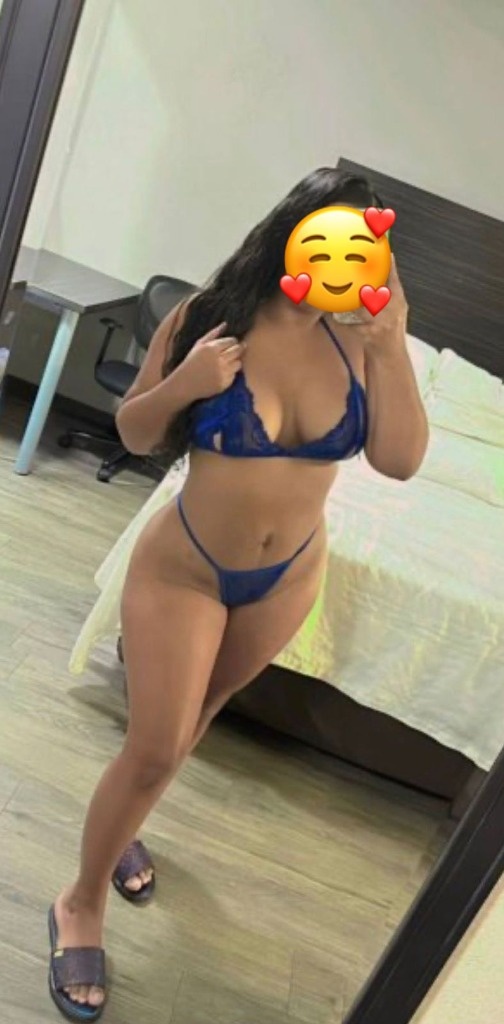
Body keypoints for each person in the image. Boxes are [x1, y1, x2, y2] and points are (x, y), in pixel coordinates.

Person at [48, 167, 428, 1020]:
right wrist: (188, 384)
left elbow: (401, 460)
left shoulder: (360, 343)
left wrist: (392, 339)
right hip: (185, 568)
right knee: (155, 746)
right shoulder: (208, 319)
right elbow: (135, 429)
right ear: (294, 236)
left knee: (194, 724)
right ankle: (79, 902)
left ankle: (122, 826)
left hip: (286, 576)